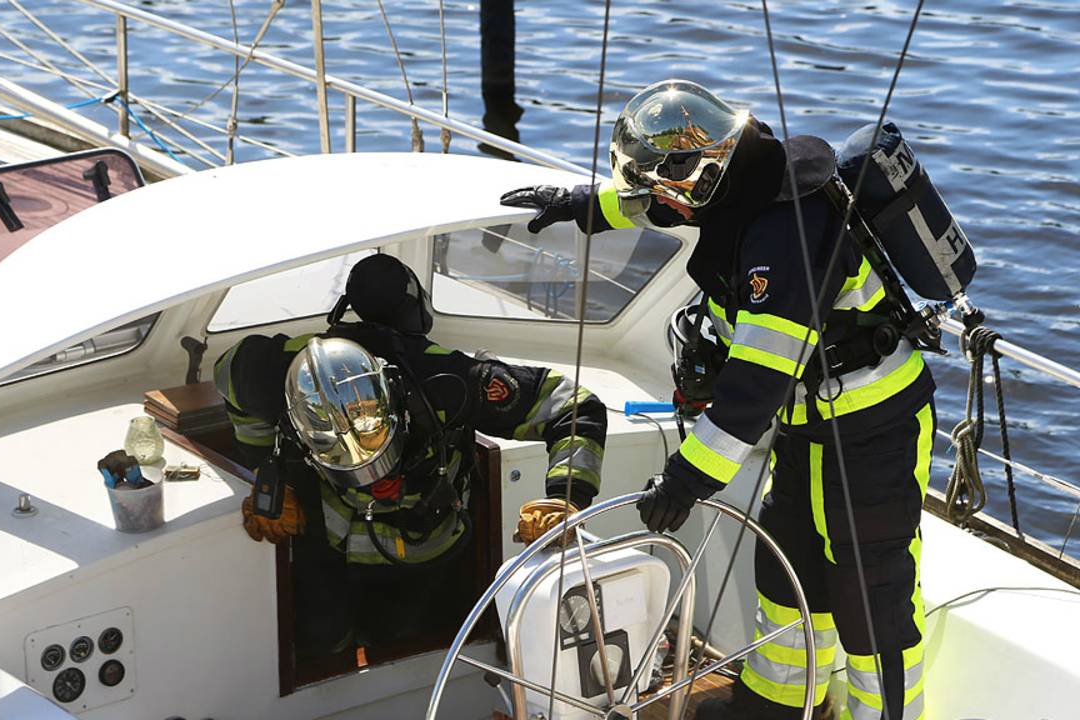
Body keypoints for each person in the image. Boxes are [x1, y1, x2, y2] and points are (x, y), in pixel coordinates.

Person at [501, 80, 934, 720]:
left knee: (873, 601)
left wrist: (683, 482)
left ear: (702, 172)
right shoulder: (740, 181)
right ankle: (777, 706)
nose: (657, 203)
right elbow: (662, 201)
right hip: (811, 424)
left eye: (664, 189)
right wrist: (585, 205)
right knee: (786, 575)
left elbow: (752, 392)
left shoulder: (787, 237)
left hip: (874, 427)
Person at [214, 253, 607, 660]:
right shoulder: (297, 368)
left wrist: (565, 498)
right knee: (325, 648)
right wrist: (268, 475)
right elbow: (227, 374)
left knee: (420, 651)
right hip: (337, 550)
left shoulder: (444, 381)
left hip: (419, 556)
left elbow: (572, 407)